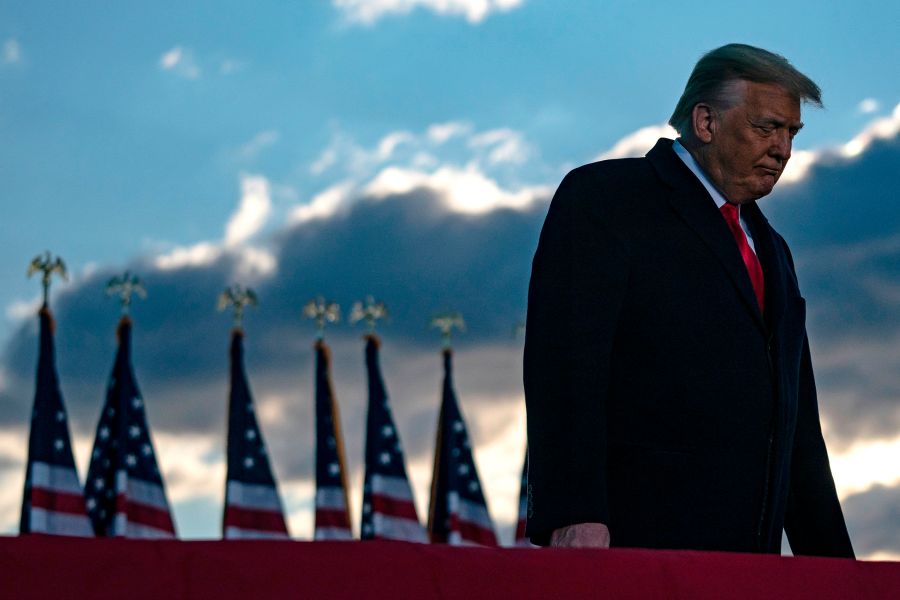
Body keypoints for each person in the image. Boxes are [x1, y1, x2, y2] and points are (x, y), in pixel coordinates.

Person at [523, 43, 854, 557]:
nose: (783, 149)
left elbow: (797, 429)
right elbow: (565, 367)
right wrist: (574, 515)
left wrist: (836, 570)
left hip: (749, 568)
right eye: (767, 127)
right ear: (705, 122)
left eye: (791, 133)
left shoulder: (774, 252)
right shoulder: (606, 199)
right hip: (630, 552)